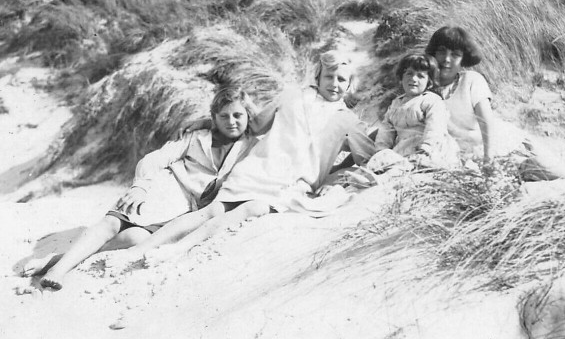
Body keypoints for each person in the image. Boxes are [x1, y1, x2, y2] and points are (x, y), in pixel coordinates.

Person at [114, 50, 376, 262]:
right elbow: (254, 126)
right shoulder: (290, 96)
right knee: (211, 210)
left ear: (349, 86)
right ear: (318, 77)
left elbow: (367, 156)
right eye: (330, 76)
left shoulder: (348, 120)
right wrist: (209, 121)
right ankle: (139, 250)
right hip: (259, 168)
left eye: (342, 79)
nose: (335, 84)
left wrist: (335, 170)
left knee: (249, 209)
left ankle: (176, 251)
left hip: (294, 185)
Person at [23, 85, 257, 290]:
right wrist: (141, 187)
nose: (231, 121)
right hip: (164, 188)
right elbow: (153, 160)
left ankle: (58, 259)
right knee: (112, 223)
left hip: (186, 208)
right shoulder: (196, 136)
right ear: (214, 117)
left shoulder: (253, 144)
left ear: (248, 115)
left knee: (133, 238)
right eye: (223, 116)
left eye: (237, 115)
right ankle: (58, 271)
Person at [424, 25, 565, 180]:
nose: (447, 59)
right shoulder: (425, 90)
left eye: (455, 54)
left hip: (494, 143)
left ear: (463, 59)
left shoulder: (471, 80)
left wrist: (488, 158)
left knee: (549, 167)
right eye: (442, 51)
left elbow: (486, 121)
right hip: (464, 154)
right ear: (433, 53)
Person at [372, 53, 459, 170]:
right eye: (409, 73)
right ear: (401, 77)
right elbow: (386, 130)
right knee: (384, 161)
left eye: (420, 76)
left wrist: (426, 148)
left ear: (430, 82)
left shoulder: (431, 100)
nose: (413, 79)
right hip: (404, 148)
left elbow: (435, 127)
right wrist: (381, 150)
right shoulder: (396, 103)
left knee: (416, 164)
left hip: (427, 148)